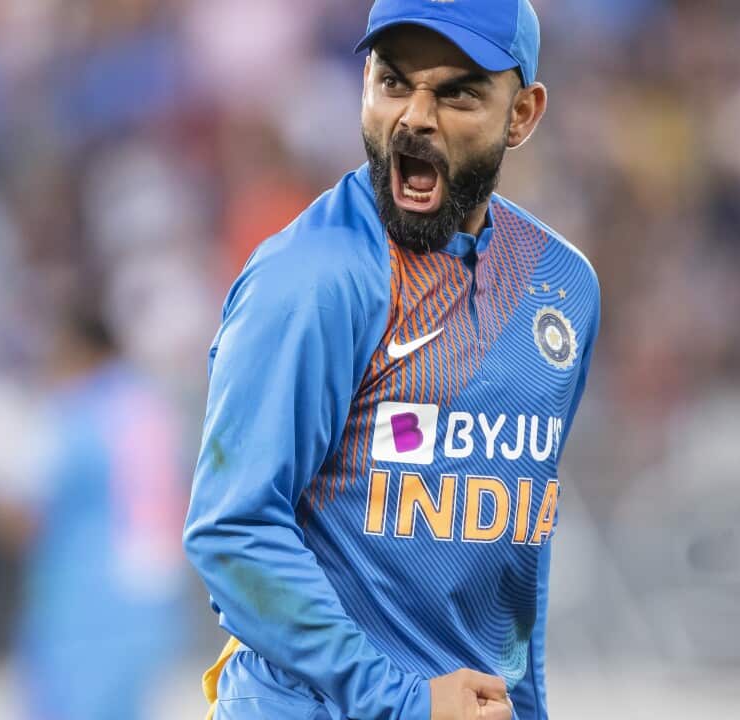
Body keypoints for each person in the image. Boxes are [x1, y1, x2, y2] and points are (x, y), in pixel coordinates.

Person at [182, 1, 600, 718]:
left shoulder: (561, 287)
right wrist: (400, 702)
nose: (414, 117)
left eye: (458, 91)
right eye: (392, 82)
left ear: (522, 114)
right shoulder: (313, 279)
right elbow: (233, 530)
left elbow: (513, 554)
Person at [0, 301, 187, 720]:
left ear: (81, 352)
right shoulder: (154, 409)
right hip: (154, 602)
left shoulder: (71, 413)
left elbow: (17, 517)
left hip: (81, 607)